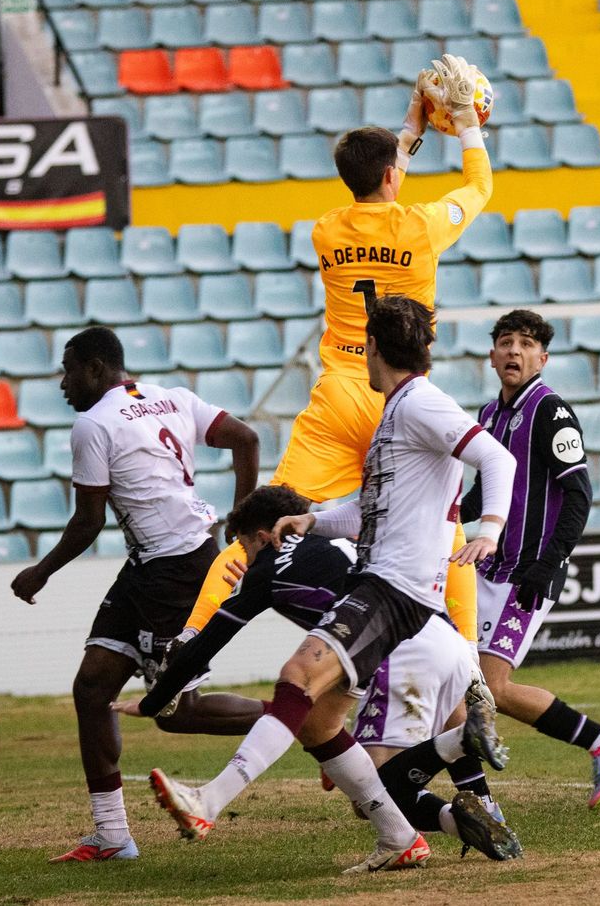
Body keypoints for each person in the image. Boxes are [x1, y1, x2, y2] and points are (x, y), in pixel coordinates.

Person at [138, 296, 519, 874]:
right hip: (390, 585)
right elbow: (370, 509)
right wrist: (312, 520)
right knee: (318, 721)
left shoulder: (421, 403)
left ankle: (207, 802)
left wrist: (489, 529)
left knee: (297, 676)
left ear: (372, 347)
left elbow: (497, 459)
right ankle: (400, 836)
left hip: (396, 586)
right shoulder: (399, 411)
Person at [179, 55, 492, 646]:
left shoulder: (327, 230)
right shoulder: (422, 227)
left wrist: (409, 129)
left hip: (337, 395)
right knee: (445, 526)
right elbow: (480, 187)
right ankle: (468, 659)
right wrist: (466, 123)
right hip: (399, 398)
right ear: (393, 176)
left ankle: (190, 638)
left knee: (267, 519)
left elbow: (376, 192)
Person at [116, 484, 520, 862]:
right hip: (437, 634)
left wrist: (154, 702)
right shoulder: (337, 540)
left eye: (243, 546)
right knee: (318, 727)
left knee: (372, 772)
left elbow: (204, 645)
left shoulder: (269, 565)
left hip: (398, 648)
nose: (244, 558)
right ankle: (409, 835)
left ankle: (208, 801)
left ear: (263, 536)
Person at [9, 326, 260, 863]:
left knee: (176, 710)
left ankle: (298, 718)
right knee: (93, 686)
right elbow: (247, 439)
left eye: (68, 370)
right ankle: (112, 835)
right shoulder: (173, 397)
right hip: (154, 564)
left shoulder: (93, 424)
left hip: (175, 571)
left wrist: (41, 571)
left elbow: (87, 521)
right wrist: (241, 522)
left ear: (95, 368)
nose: (63, 384)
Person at [388, 309, 600, 809]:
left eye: (526, 344)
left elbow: (579, 495)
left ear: (542, 358)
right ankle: (477, 798)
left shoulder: (551, 411)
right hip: (487, 569)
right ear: (491, 354)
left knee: (493, 688)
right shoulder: (489, 414)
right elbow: (482, 495)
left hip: (528, 572)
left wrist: (549, 563)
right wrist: (438, 516)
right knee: (456, 683)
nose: (514, 351)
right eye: (506, 342)